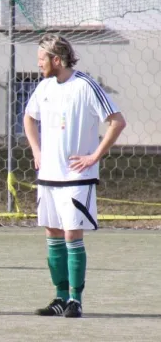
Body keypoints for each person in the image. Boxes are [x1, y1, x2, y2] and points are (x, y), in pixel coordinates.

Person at [24, 34, 126, 318]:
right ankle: (59, 298)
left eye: (41, 59)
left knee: (72, 236)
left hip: (77, 178)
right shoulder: (44, 87)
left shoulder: (85, 86)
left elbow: (117, 121)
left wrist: (95, 156)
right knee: (53, 236)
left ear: (57, 59)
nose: (38, 65)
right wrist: (36, 150)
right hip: (48, 178)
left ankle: (75, 300)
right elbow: (29, 118)